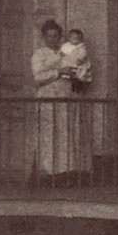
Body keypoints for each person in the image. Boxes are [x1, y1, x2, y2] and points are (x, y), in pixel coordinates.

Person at [30, 19, 92, 186]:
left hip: (66, 98)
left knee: (66, 134)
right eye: (50, 36)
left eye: (56, 36)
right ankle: (48, 174)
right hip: (48, 100)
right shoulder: (40, 54)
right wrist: (59, 72)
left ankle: (66, 173)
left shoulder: (67, 52)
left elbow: (79, 69)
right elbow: (37, 78)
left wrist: (77, 76)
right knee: (49, 136)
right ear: (44, 37)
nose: (53, 39)